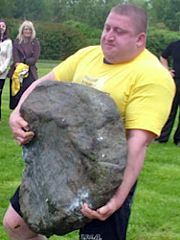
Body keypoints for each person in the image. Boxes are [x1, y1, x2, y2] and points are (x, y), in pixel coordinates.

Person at [3, 3, 175, 240]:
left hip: (108, 176)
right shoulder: (88, 54)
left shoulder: (153, 76)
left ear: (140, 39)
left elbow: (138, 143)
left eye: (119, 31)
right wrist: (16, 114)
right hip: (61, 160)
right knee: (16, 225)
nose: (109, 36)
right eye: (107, 28)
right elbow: (44, 83)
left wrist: (116, 199)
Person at [8, 20, 40, 110]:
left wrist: (23, 61)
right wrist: (18, 64)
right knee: (16, 95)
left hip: (30, 72)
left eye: (29, 29)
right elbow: (15, 56)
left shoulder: (35, 42)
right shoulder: (17, 41)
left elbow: (34, 58)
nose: (27, 31)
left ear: (32, 31)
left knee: (28, 95)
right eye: (26, 29)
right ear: (22, 30)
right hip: (16, 71)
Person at [155, 41, 180, 146]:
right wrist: (166, 71)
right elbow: (163, 56)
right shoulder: (175, 45)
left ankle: (178, 139)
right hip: (175, 81)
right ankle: (162, 138)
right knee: (170, 110)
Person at [0, 19, 12, 120]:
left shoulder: (8, 42)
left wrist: (1, 70)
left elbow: (8, 58)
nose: (1, 28)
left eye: (3, 26)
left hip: (1, 73)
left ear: (5, 28)